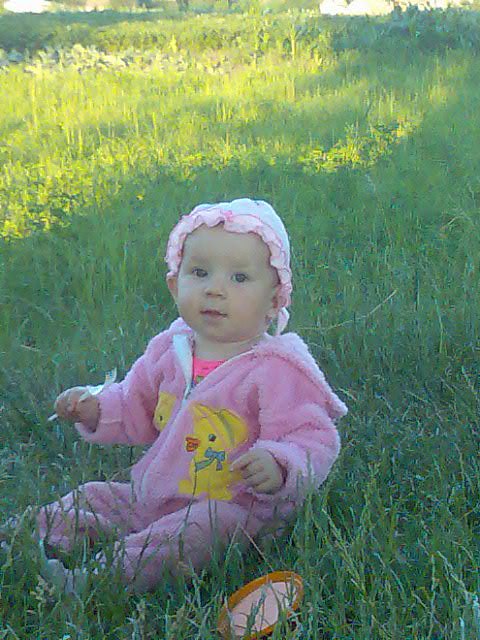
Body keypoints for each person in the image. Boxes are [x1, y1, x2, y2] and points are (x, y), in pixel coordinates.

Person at [34, 198, 348, 593]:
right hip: (155, 495)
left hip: (234, 512)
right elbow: (134, 403)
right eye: (199, 273)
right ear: (175, 283)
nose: (215, 289)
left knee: (191, 535)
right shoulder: (170, 350)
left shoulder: (276, 369)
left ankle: (99, 581)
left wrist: (280, 463)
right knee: (92, 497)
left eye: (239, 278)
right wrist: (96, 408)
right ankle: (23, 542)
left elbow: (312, 436)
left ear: (274, 301)